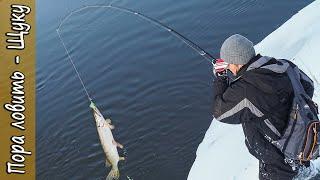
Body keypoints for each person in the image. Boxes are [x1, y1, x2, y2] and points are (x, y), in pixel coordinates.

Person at [212, 34, 314, 180]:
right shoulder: (285, 66)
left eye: (228, 64)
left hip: (277, 162)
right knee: (304, 174)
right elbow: (308, 86)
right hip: (303, 141)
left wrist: (221, 79)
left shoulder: (246, 90)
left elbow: (219, 112)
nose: (229, 69)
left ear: (237, 63)